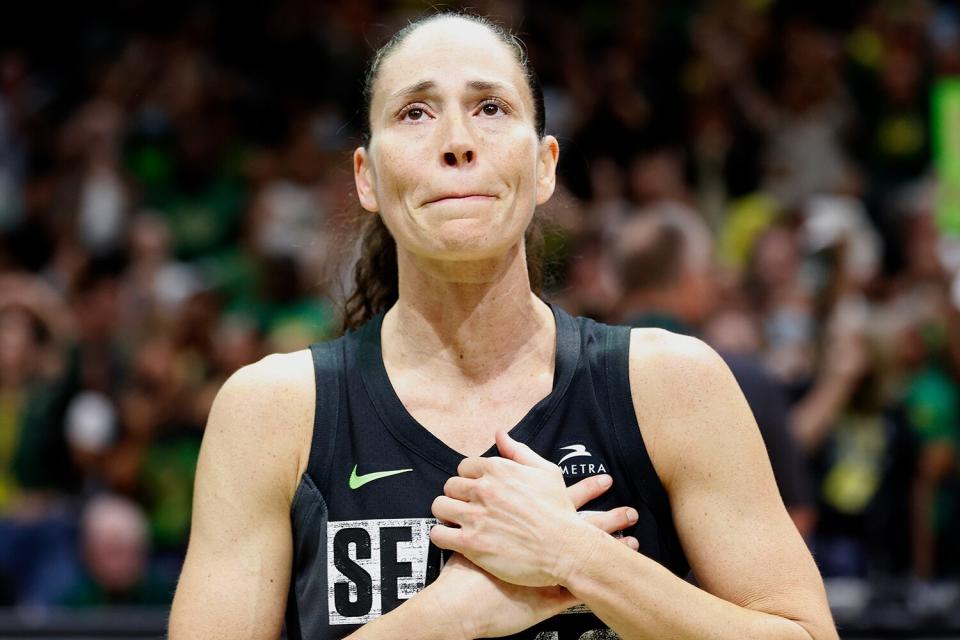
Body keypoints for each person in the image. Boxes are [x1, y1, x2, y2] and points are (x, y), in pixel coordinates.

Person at [169, 12, 837, 640]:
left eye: (490, 108)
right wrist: (444, 621)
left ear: (545, 165)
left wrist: (577, 557)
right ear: (366, 177)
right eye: (415, 112)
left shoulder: (668, 383)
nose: (458, 143)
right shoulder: (273, 412)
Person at [610, 202, 817, 537]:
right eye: (709, 269)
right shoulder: (743, 378)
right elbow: (796, 515)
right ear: (690, 278)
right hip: (718, 585)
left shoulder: (563, 371)